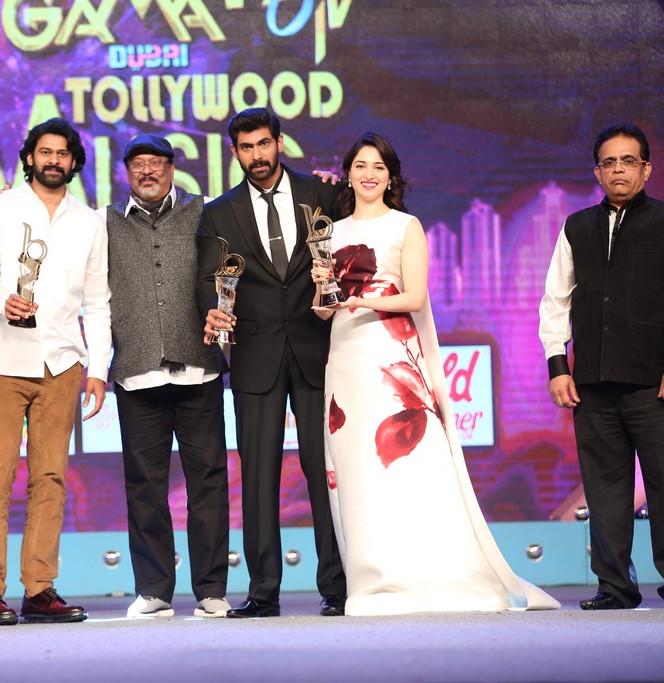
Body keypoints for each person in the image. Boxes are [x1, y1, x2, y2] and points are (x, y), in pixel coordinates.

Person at [314, 132, 559, 615]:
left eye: (379, 167)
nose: (369, 174)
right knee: (358, 470)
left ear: (391, 177)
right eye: (361, 166)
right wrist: (324, 287)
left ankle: (425, 574)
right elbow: (322, 311)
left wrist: (358, 298)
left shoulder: (405, 226)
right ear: (348, 175)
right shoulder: (330, 232)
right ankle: (373, 581)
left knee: (404, 462)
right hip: (344, 362)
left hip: (391, 354)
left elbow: (415, 297)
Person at [197, 107, 346, 617]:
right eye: (246, 147)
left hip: (318, 350)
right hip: (255, 355)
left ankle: (337, 586)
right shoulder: (219, 213)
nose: (257, 155)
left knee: (324, 472)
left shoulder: (322, 194)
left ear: (280, 143)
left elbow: (366, 230)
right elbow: (208, 280)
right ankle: (263, 590)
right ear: (234, 152)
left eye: (264, 144)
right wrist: (212, 309)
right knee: (259, 478)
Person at [0, 118, 111, 625]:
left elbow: (98, 300)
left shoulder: (90, 222)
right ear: (29, 157)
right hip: (0, 359)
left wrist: (98, 368)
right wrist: (0, 301)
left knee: (51, 478)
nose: (53, 160)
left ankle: (40, 589)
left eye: (62, 153)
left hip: (61, 363)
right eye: (45, 152)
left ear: (73, 162)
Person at [102, 134, 230, 619]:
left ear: (172, 169)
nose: (147, 171)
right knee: (144, 487)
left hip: (199, 369)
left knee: (208, 483)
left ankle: (211, 589)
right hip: (137, 374)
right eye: (138, 164)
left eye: (156, 163)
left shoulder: (204, 212)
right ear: (126, 173)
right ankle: (154, 589)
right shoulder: (105, 222)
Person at [539, 122, 664, 610]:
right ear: (597, 172)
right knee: (605, 491)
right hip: (591, 382)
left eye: (628, 161)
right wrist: (558, 366)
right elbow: (555, 300)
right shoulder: (577, 227)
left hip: (652, 384)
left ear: (646, 169)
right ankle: (615, 585)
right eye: (609, 162)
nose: (618, 170)